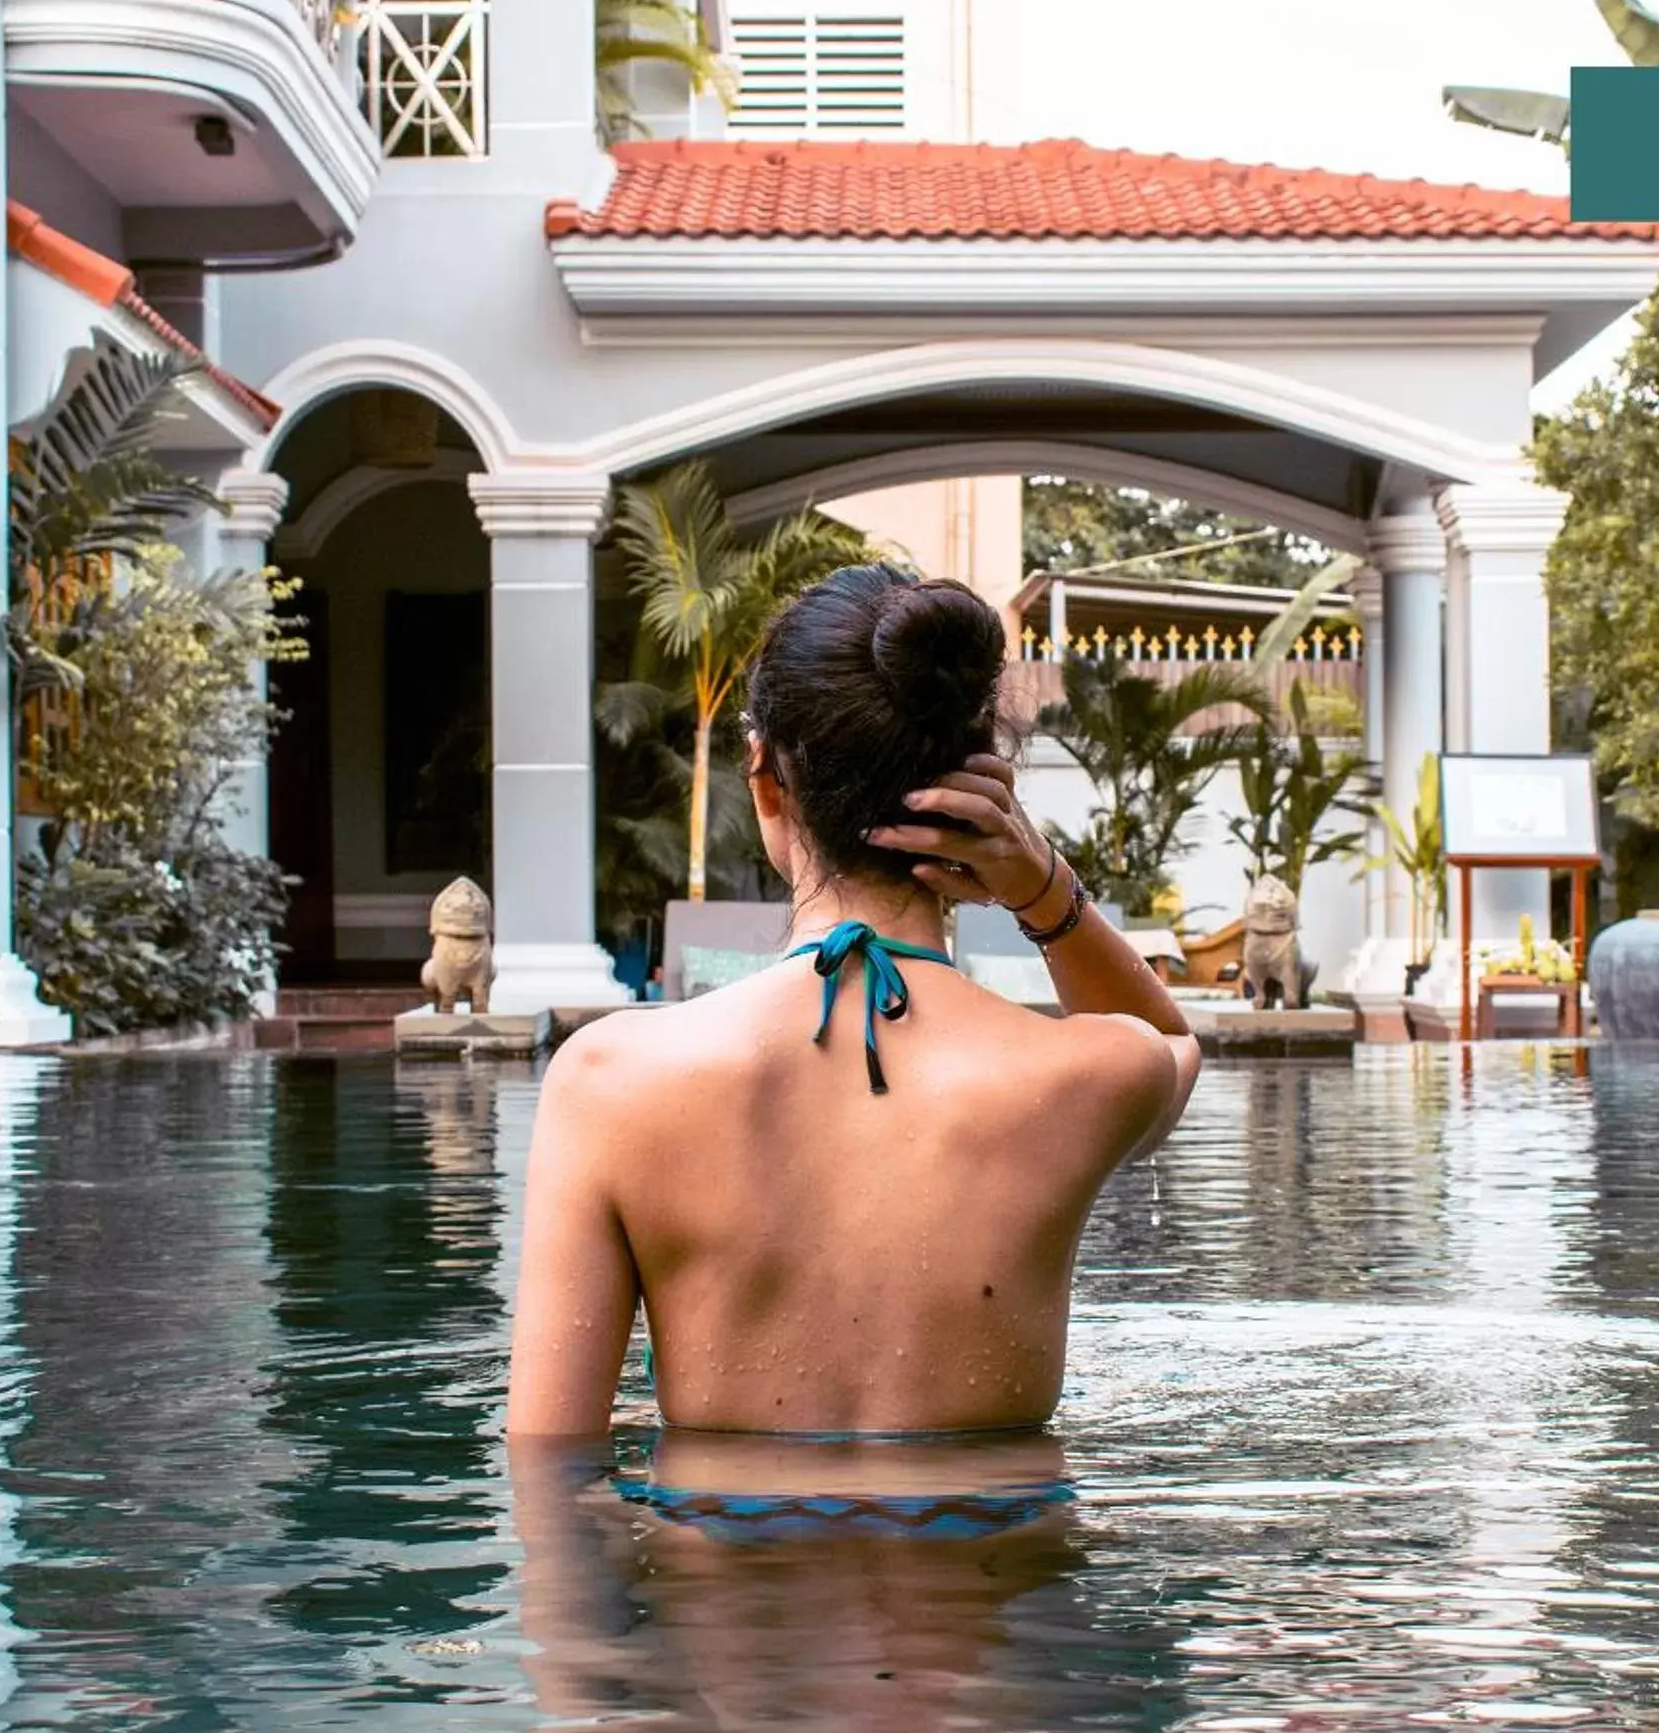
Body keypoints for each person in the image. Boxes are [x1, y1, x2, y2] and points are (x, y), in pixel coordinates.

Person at [506, 564, 1203, 1438]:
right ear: (988, 789)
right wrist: (1043, 890)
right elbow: (1168, 1035)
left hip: (723, 1567)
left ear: (766, 779)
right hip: (996, 1560)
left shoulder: (607, 1082)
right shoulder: (1091, 1070)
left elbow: (549, 1461)